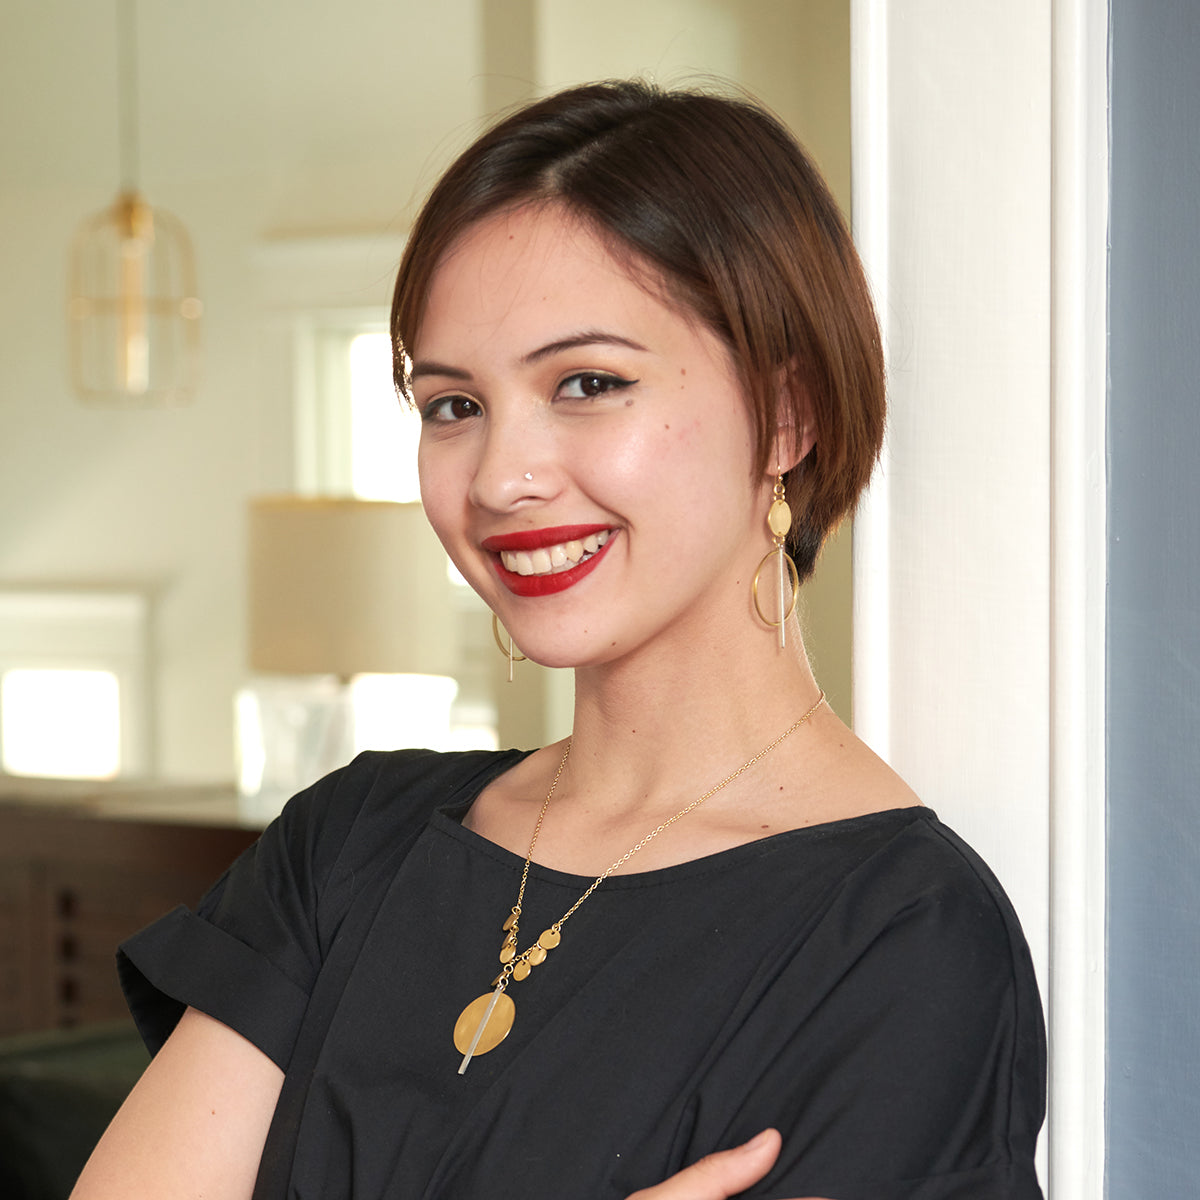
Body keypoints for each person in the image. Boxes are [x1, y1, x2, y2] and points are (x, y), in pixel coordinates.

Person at [72, 80, 1045, 1199]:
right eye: (453, 406)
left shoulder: (902, 946)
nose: (499, 478)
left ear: (788, 415)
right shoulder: (351, 844)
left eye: (588, 383)